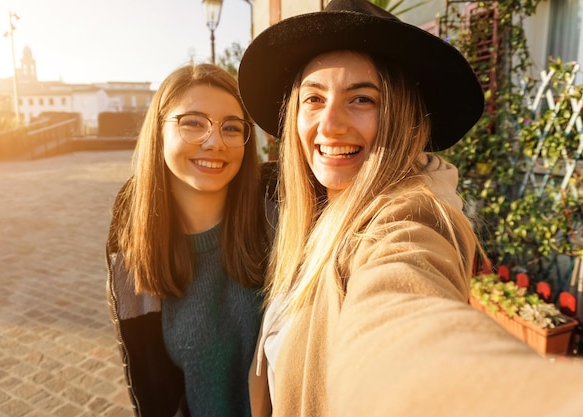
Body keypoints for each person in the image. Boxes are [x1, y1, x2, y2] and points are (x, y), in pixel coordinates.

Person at [237, 0, 583, 416]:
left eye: (362, 99)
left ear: (402, 116)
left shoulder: (411, 215)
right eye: (313, 98)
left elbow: (404, 310)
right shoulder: (316, 209)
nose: (329, 124)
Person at [106, 63, 272, 417]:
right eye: (193, 122)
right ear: (159, 133)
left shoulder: (278, 216)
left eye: (231, 127)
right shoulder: (133, 247)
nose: (214, 142)